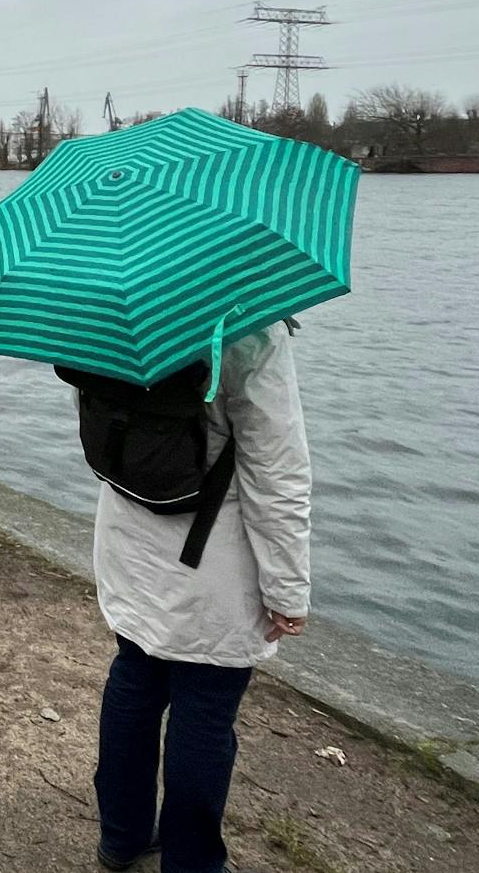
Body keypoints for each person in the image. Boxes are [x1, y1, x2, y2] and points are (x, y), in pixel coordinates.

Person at [91, 324, 311, 873]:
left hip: (128, 540)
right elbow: (276, 470)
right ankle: (190, 864)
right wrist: (286, 587)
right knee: (205, 713)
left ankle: (121, 838)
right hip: (217, 561)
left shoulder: (108, 305)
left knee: (135, 682)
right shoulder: (248, 329)